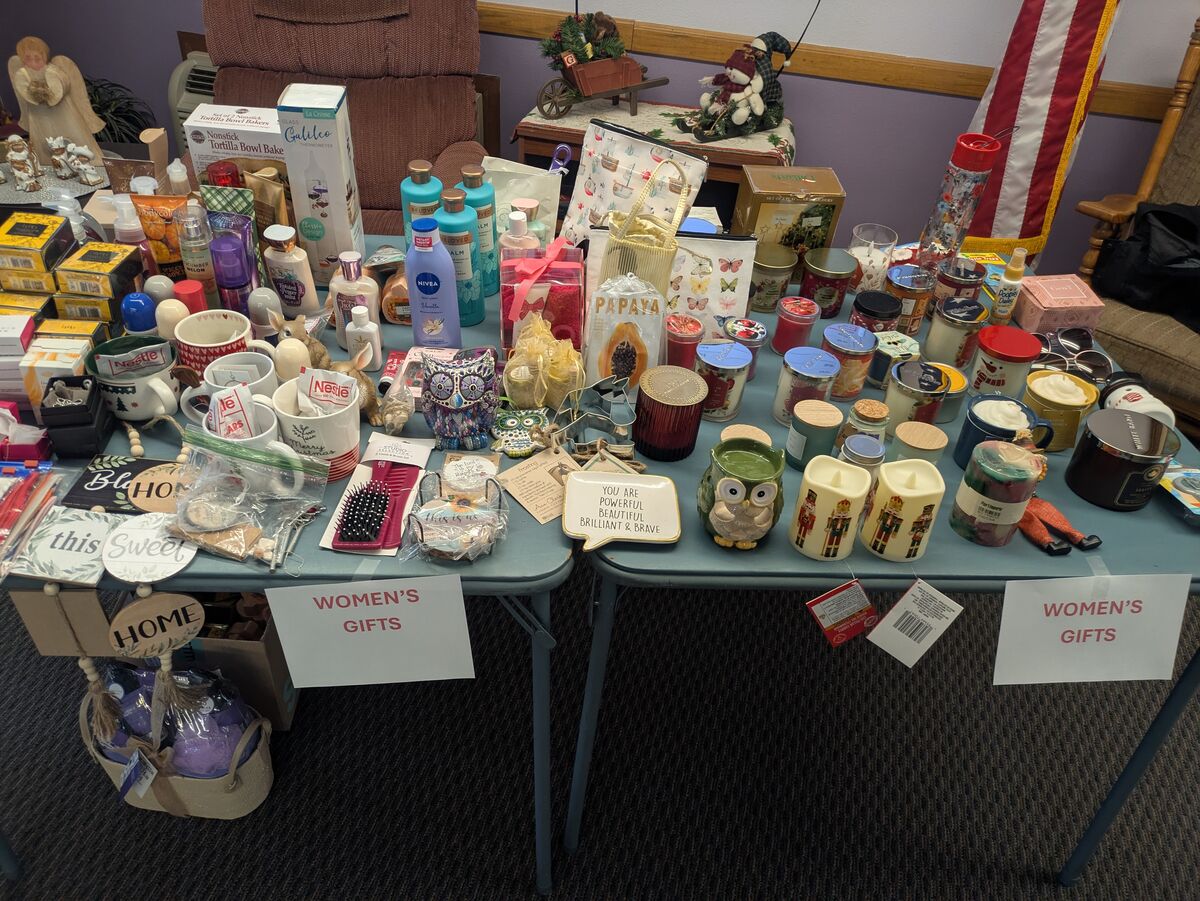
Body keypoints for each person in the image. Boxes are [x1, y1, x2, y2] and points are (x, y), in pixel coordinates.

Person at [8, 36, 104, 167]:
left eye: (37, 58)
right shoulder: (23, 74)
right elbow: (24, 91)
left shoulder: (53, 70)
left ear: (44, 57)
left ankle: (86, 160)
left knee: (73, 134)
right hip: (38, 116)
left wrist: (47, 93)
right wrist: (35, 94)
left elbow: (60, 88)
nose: (33, 62)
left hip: (63, 112)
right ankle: (46, 162)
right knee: (42, 141)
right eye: (28, 59)